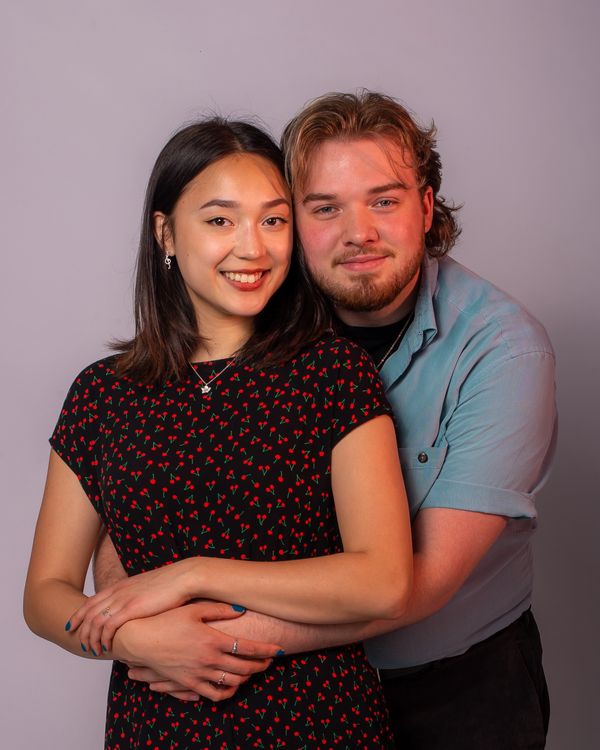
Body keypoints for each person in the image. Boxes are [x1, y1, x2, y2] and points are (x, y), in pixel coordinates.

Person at [96, 91, 557, 749]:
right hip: (288, 702)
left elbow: (410, 588)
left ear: (427, 207)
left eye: (385, 200)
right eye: (323, 208)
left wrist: (190, 639)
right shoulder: (251, 305)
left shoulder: (505, 351)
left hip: (458, 690)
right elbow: (139, 504)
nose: (357, 232)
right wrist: (134, 627)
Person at [24, 117, 415, 749]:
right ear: (165, 233)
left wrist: (193, 573)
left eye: (273, 219)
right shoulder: (103, 393)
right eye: (219, 220)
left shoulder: (333, 373)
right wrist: (133, 639)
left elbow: (384, 581)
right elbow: (45, 594)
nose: (253, 248)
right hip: (155, 722)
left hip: (317, 720)